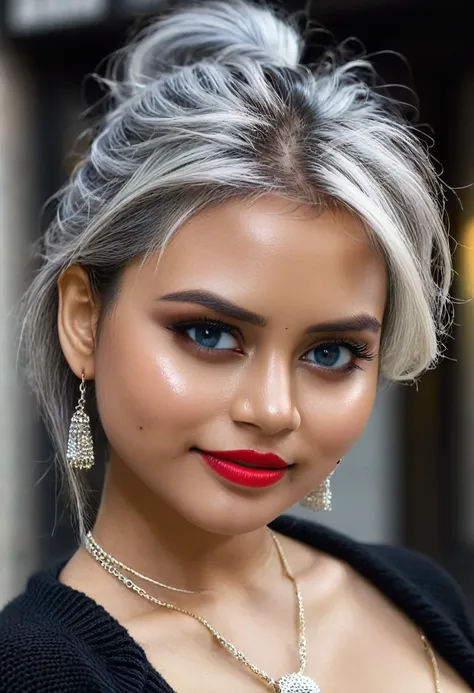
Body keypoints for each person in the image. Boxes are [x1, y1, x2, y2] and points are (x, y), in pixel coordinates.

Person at [1, 0, 473, 691]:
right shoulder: (35, 673)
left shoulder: (418, 592)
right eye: (210, 334)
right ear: (82, 320)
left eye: (331, 352)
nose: (274, 409)